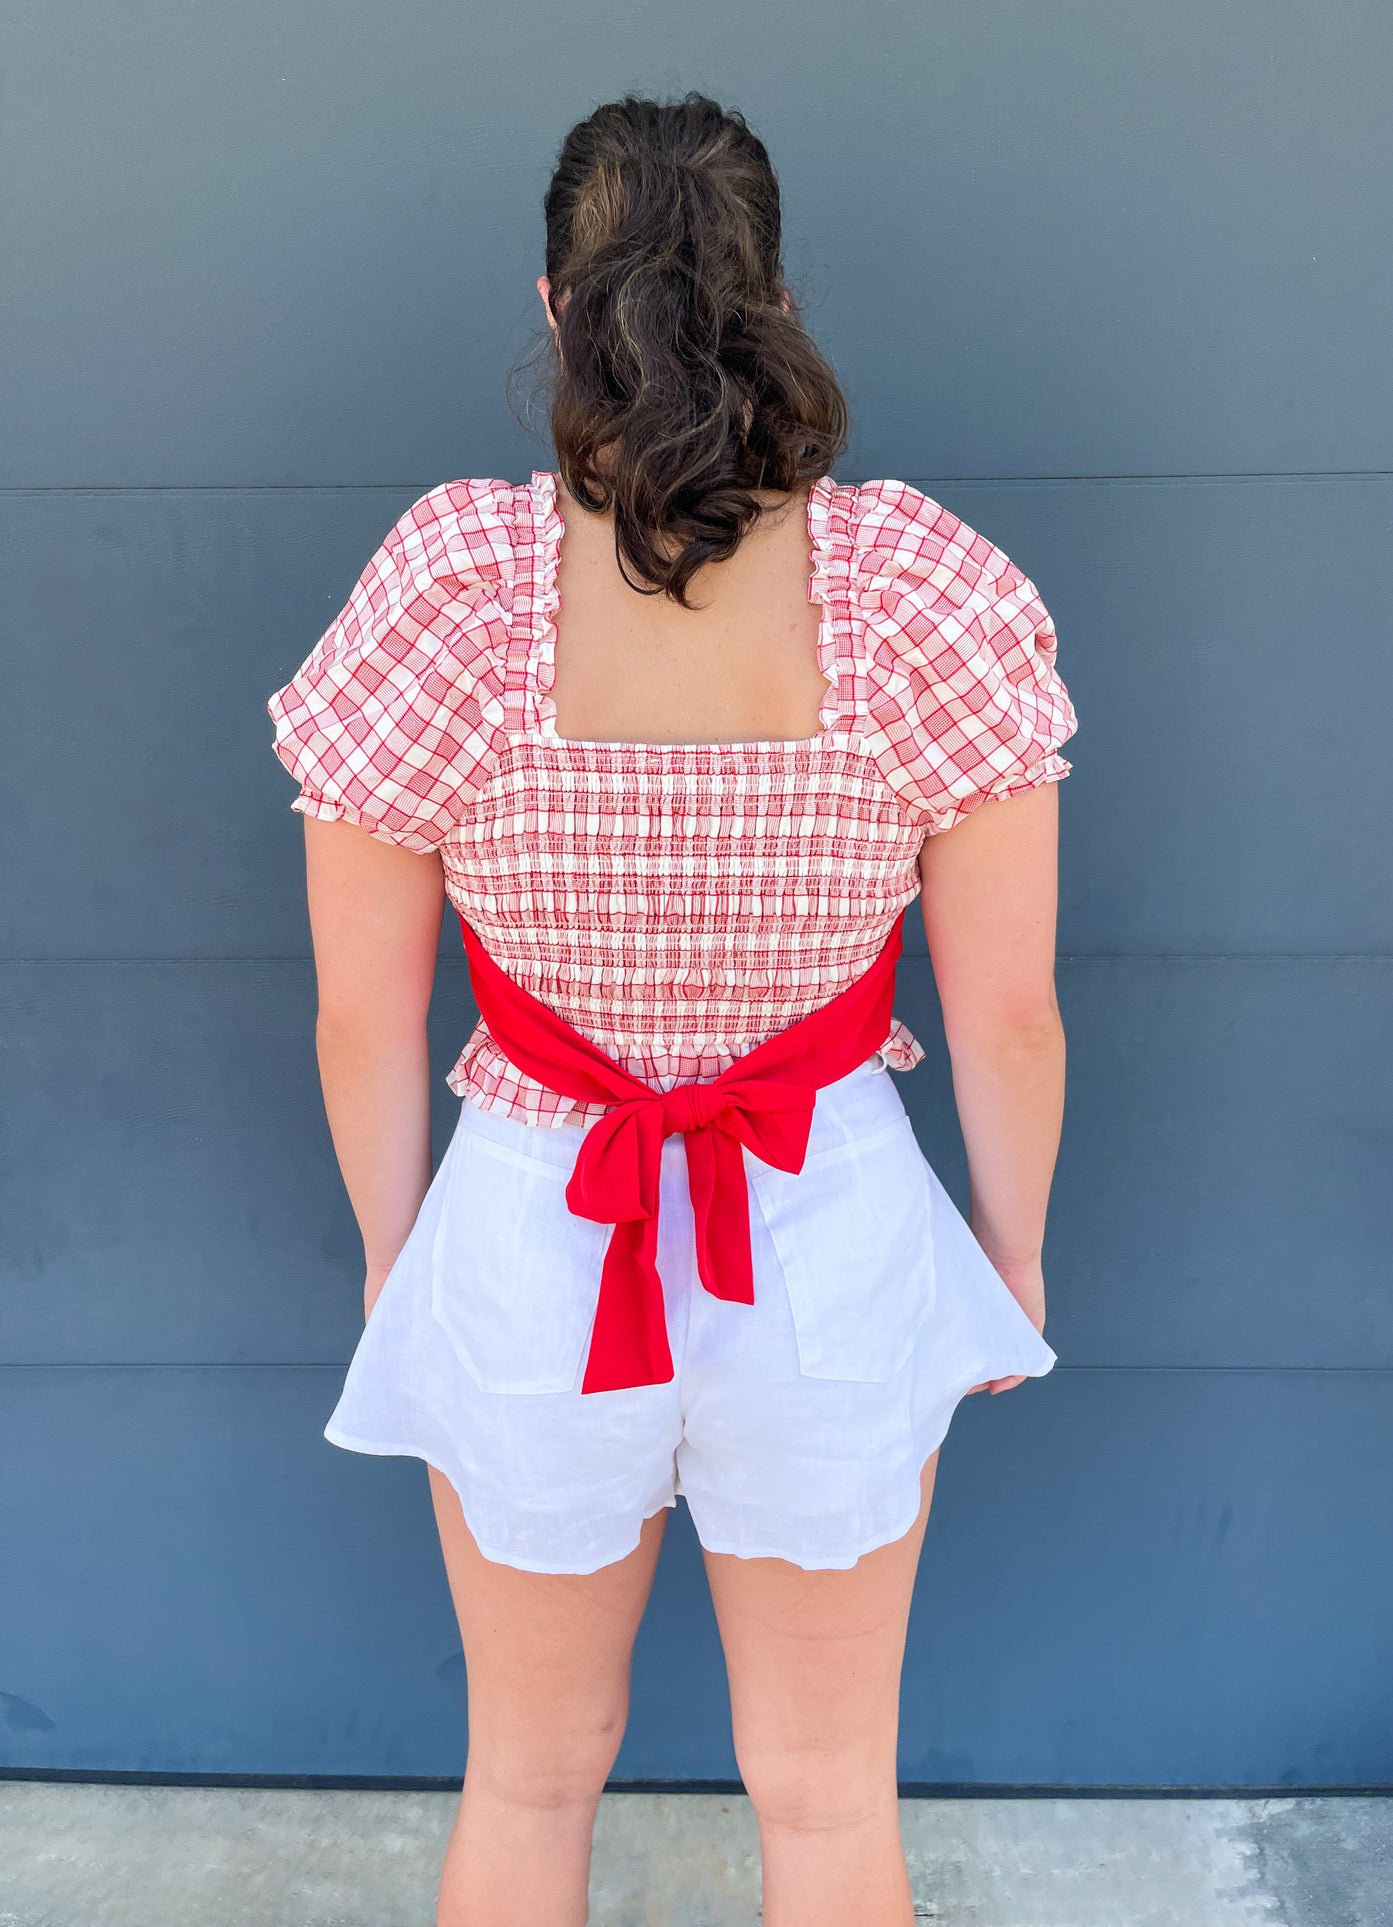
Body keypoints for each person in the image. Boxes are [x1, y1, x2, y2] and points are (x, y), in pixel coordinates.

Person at [266, 90, 1077, 1927]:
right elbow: (1008, 1017)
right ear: (771, 294)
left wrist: (402, 1261)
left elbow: (360, 1018)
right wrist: (1006, 1264)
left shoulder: (455, 585)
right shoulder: (919, 591)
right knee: (824, 1802)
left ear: (556, 307)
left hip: (536, 1234)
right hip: (834, 1237)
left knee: (530, 1782)